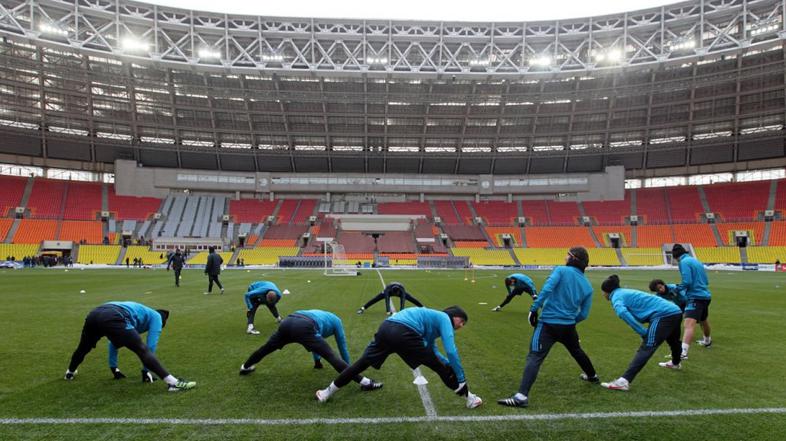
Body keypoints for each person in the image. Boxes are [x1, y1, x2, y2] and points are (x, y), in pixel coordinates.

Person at [315, 306, 483, 409]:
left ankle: (326, 392)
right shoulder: (444, 318)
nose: (461, 326)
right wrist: (460, 377)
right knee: (440, 367)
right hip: (404, 332)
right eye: (462, 322)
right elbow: (451, 351)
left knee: (360, 365)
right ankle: (470, 399)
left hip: (386, 327)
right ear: (454, 316)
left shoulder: (432, 320)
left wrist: (446, 363)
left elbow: (433, 350)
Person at [498, 246, 598, 408]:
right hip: (568, 327)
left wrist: (534, 308)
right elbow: (584, 314)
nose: (565, 257)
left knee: (535, 356)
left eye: (568, 255)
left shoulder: (560, 271)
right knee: (576, 351)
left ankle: (521, 397)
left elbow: (546, 290)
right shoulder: (588, 286)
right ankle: (592, 376)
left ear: (573, 258)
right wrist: (570, 320)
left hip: (548, 325)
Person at [64, 301, 196, 392]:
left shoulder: (141, 313)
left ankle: (70, 372)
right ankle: (173, 383)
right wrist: (145, 372)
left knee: (83, 347)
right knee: (141, 349)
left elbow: (114, 342)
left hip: (95, 313)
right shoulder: (156, 317)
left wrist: (114, 368)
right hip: (114, 315)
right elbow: (150, 347)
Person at [239, 309, 383, 390]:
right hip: (305, 326)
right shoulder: (337, 322)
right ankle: (366, 383)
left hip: (288, 321)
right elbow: (341, 346)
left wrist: (317, 361)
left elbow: (315, 342)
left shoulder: (321, 315)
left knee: (266, 348)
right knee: (332, 356)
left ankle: (245, 366)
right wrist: (350, 369)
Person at [598, 275, 684, 391]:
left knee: (647, 346)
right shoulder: (623, 292)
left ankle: (624, 381)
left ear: (608, 292)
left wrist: (642, 331)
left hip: (663, 314)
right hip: (675, 311)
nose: (603, 295)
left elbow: (623, 313)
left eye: (603, 292)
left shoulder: (616, 297)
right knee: (673, 341)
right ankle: (675, 363)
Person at [668, 244, 712, 363]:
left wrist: (676, 290)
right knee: (703, 320)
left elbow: (687, 281)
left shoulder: (684, 262)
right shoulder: (695, 261)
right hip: (705, 295)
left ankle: (682, 352)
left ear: (676, 257)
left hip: (695, 296)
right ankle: (707, 341)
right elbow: (706, 280)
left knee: (688, 324)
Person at [356, 282, 424, 315]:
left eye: (396, 294)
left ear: (398, 292)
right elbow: (387, 300)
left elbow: (402, 300)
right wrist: (388, 311)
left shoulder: (402, 290)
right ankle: (362, 308)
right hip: (388, 290)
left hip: (400, 290)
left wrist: (401, 311)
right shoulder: (387, 290)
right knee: (375, 299)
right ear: (392, 291)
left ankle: (423, 307)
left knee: (412, 298)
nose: (395, 295)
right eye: (395, 294)